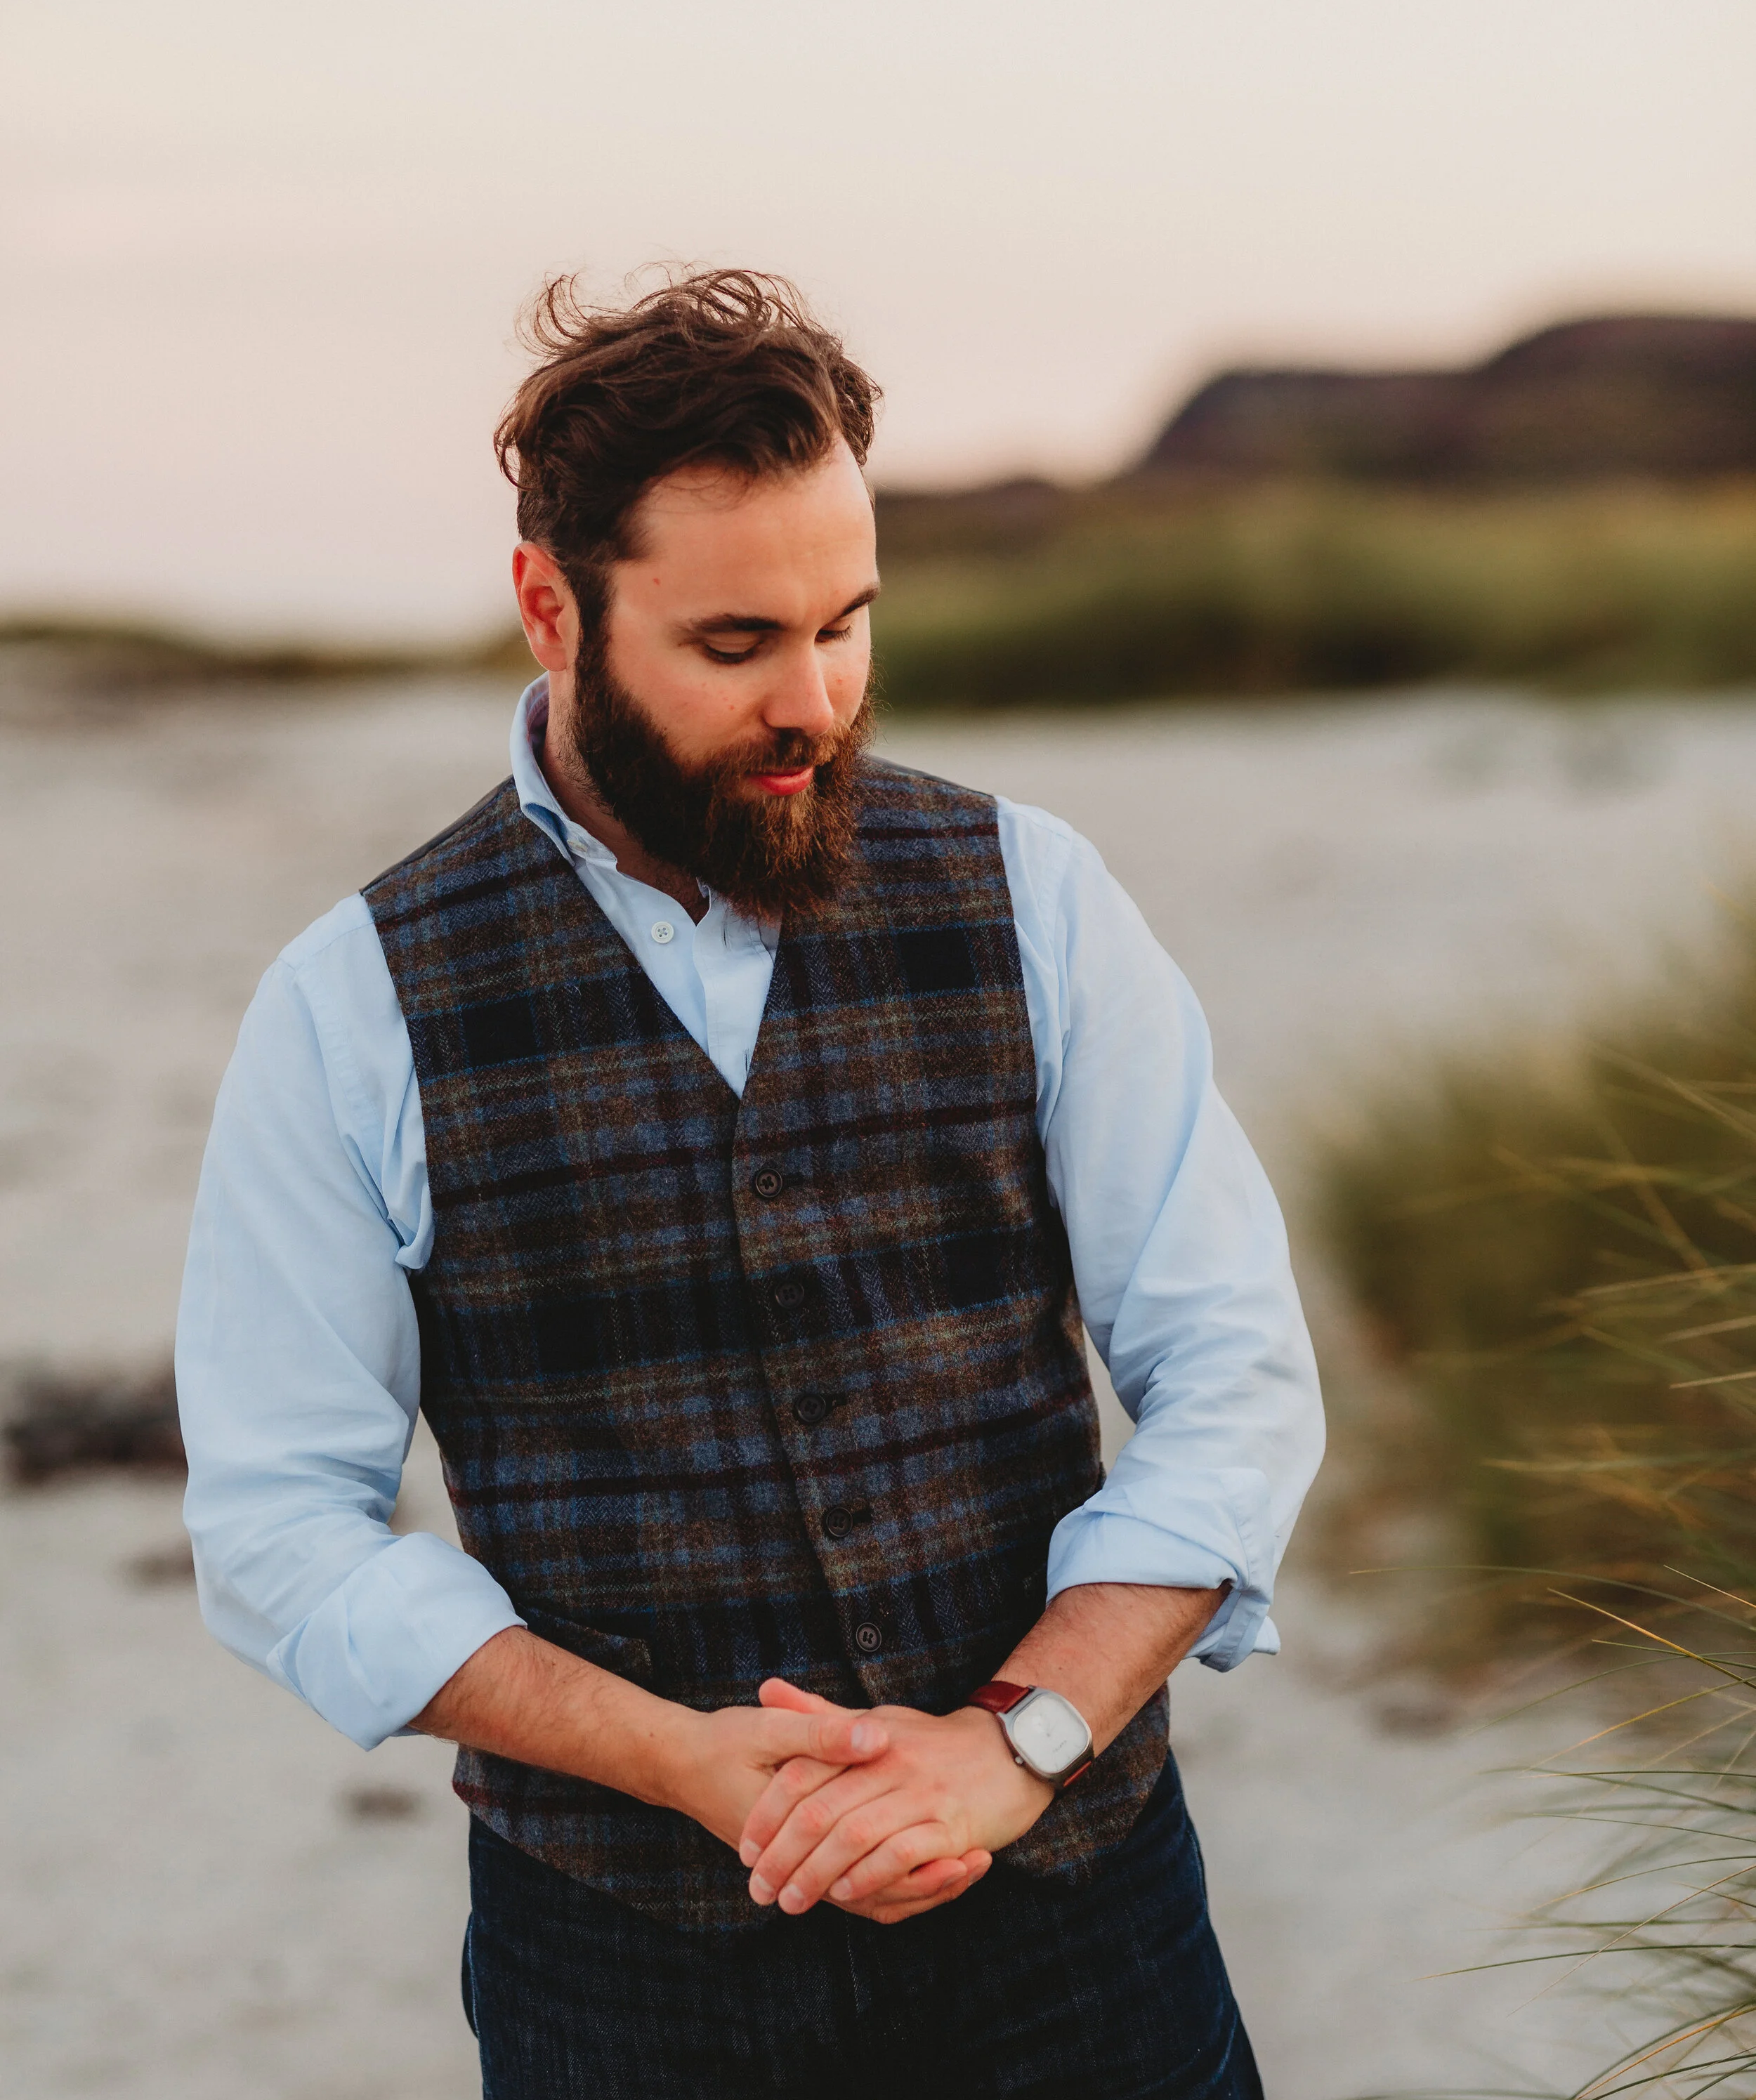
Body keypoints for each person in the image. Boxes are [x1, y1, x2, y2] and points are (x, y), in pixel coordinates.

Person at [177, 270, 1323, 2098]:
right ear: (551, 605)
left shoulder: (1030, 893)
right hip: (626, 1973)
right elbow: (279, 1524)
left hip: (1081, 1926)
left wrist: (1013, 1738)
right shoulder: (352, 1003)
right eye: (734, 645)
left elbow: (1232, 1372)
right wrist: (678, 1759)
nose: (814, 701)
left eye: (846, 622)